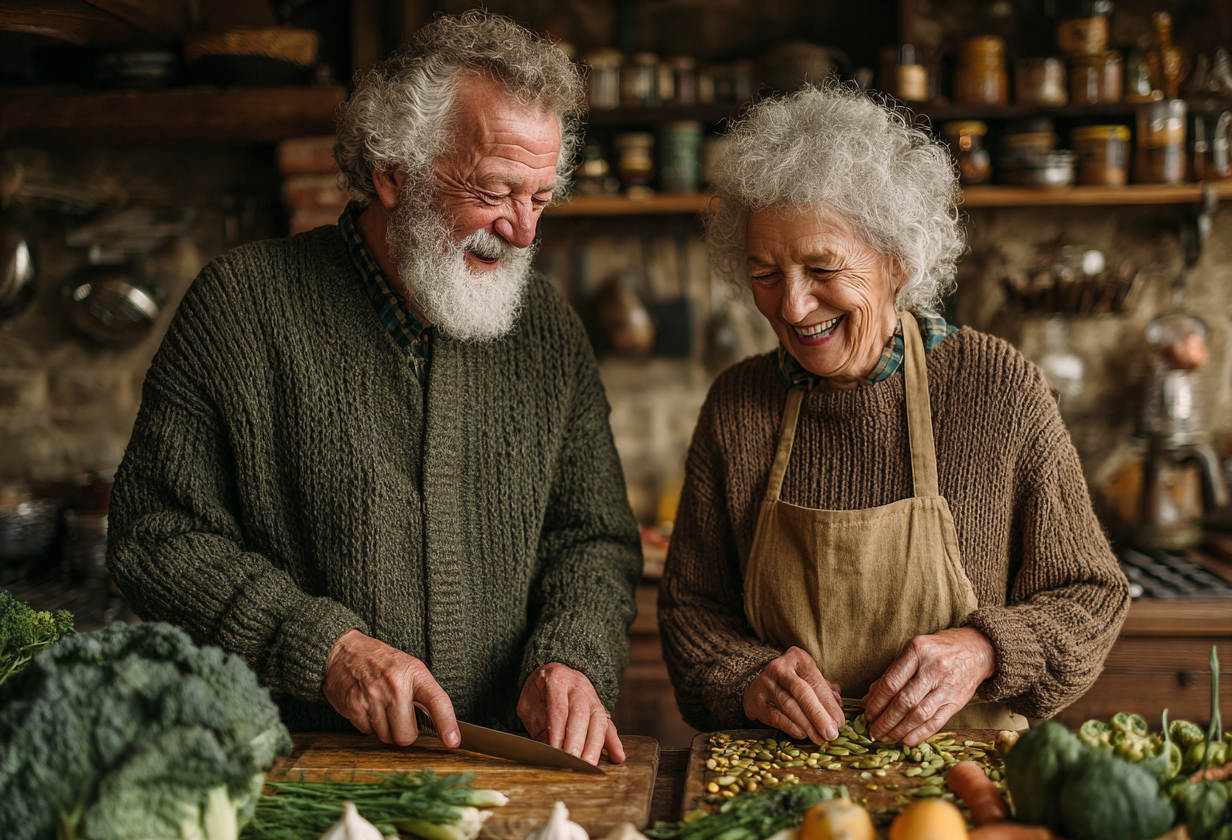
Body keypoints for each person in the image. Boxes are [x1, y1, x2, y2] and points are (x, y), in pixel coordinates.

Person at [107, 12, 640, 766]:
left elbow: (593, 537)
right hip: (294, 768)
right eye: (496, 191)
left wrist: (572, 656)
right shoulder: (241, 307)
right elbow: (154, 538)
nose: (523, 231)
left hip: (506, 773)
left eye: (540, 199)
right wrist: (325, 649)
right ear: (393, 174)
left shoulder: (546, 327)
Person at [659, 85, 1130, 747]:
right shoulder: (737, 407)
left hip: (964, 781)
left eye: (822, 267)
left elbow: (1091, 595)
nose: (792, 306)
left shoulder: (998, 389)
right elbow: (691, 610)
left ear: (898, 260)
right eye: (765, 273)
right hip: (783, 784)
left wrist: (986, 649)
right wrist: (746, 677)